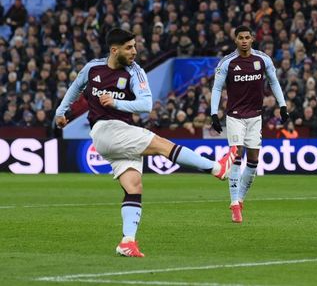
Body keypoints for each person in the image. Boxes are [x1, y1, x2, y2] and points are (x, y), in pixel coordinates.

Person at [55, 28, 237, 258]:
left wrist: (116, 103)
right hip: (105, 130)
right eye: (129, 47)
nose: (134, 51)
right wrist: (61, 112)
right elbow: (75, 88)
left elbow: (145, 105)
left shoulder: (136, 72)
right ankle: (217, 168)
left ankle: (127, 241)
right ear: (114, 50)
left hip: (121, 132)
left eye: (134, 46)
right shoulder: (92, 68)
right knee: (162, 144)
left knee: (134, 187)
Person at [211, 25, 288, 224]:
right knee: (237, 155)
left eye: (247, 37)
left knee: (253, 161)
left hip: (255, 117)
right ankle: (234, 203)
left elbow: (274, 82)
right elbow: (217, 88)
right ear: (235, 40)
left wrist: (283, 105)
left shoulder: (263, 59)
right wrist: (213, 114)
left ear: (252, 39)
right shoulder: (227, 62)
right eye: (240, 38)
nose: (244, 40)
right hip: (235, 116)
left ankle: (241, 199)